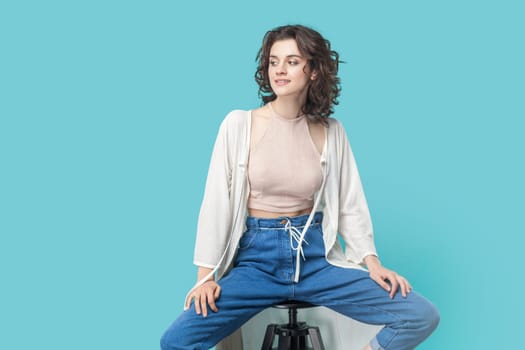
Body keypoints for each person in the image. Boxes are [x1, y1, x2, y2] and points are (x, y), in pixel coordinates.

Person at [160, 24, 439, 350]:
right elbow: (216, 203)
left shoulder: (331, 132)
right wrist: (204, 278)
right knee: (177, 341)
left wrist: (372, 263)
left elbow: (351, 203)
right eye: (273, 61)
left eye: (292, 61)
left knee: (420, 314)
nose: (279, 69)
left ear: (314, 71)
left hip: (315, 259)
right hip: (256, 262)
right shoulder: (239, 125)